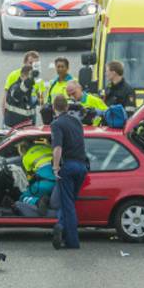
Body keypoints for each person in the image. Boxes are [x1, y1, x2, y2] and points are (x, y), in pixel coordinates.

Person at [49, 94, 89, 249]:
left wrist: (55, 167)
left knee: (67, 206)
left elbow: (57, 147)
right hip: (81, 166)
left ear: (54, 108)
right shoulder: (76, 122)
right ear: (67, 107)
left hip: (68, 167)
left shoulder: (57, 124)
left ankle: (72, 241)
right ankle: (62, 228)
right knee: (69, 203)